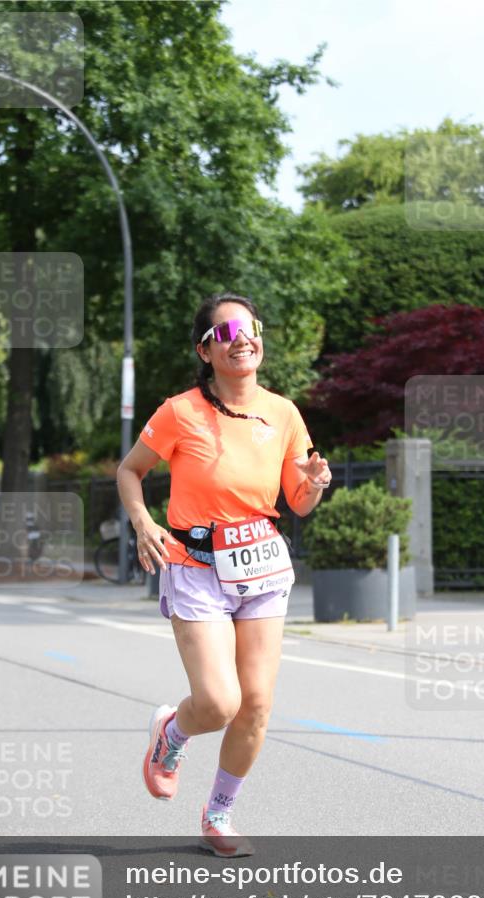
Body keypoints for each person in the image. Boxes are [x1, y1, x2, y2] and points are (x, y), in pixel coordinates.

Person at [116, 292, 331, 857]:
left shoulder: (282, 413)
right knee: (217, 702)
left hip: (261, 566)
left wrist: (314, 482)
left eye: (249, 327)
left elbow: (298, 502)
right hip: (194, 567)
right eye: (226, 331)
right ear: (205, 350)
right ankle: (172, 733)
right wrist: (143, 522)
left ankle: (218, 814)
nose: (242, 338)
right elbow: (130, 471)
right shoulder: (179, 411)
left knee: (256, 704)